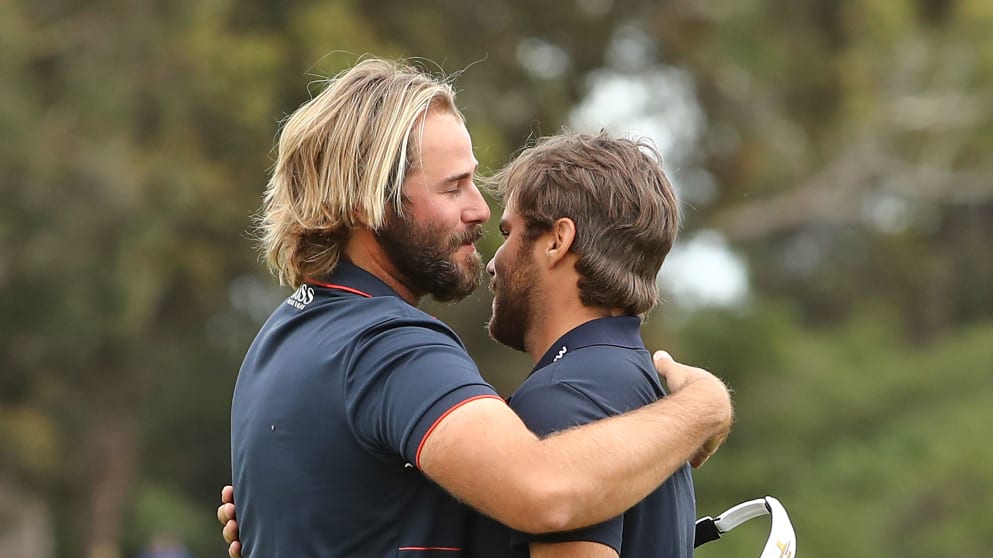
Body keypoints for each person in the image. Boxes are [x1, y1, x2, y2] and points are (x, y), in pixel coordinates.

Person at [226, 56, 732, 557]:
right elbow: (545, 494)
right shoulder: (389, 347)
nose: (480, 209)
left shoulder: (278, 340)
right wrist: (702, 408)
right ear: (368, 204)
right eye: (453, 187)